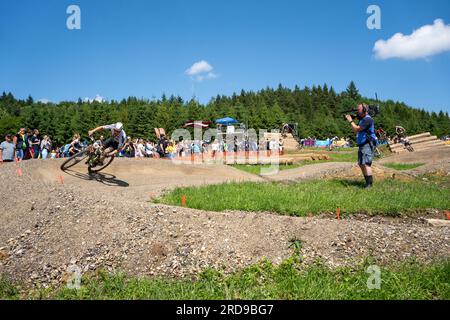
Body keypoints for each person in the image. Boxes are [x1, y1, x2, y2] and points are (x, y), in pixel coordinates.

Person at [346, 104, 377, 188]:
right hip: (362, 143)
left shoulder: (368, 119)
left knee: (366, 164)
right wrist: (352, 121)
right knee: (361, 164)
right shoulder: (362, 119)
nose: (357, 112)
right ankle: (367, 182)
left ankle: (369, 185)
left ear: (364, 110)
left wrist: (350, 121)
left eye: (359, 110)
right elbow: (355, 131)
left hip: (367, 143)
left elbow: (357, 129)